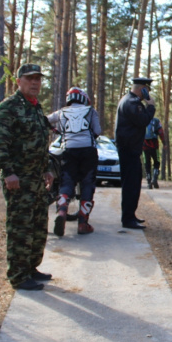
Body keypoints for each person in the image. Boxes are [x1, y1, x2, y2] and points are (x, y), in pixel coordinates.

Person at [0, 63, 55, 291]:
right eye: (30, 79)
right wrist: (8, 172)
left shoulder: (36, 108)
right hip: (18, 180)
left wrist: (47, 168)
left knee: (38, 227)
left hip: (36, 179)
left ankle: (31, 267)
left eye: (38, 79)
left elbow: (40, 143)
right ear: (19, 82)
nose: (35, 83)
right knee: (21, 228)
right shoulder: (9, 107)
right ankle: (18, 275)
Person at [48, 87, 103, 236]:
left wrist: (54, 129)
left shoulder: (61, 112)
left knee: (67, 182)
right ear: (84, 98)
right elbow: (97, 131)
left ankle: (62, 211)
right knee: (87, 184)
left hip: (69, 150)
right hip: (88, 150)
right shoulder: (90, 111)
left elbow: (45, 120)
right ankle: (83, 224)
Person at [115, 77, 156, 229]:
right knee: (130, 185)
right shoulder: (132, 102)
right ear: (142, 89)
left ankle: (130, 215)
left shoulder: (131, 101)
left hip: (131, 149)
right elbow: (143, 120)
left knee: (134, 183)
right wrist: (151, 106)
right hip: (129, 149)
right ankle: (127, 219)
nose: (148, 93)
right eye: (147, 90)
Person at [143, 117, 165, 189]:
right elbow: (161, 132)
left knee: (147, 163)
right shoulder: (156, 121)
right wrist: (164, 143)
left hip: (144, 146)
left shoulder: (142, 119)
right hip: (154, 145)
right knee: (157, 162)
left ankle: (149, 182)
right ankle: (154, 178)